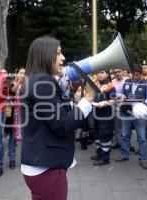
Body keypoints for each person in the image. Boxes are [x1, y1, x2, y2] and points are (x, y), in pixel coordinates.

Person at [20, 36, 95, 200]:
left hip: (40, 164)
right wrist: (88, 99)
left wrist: (77, 101)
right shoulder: (43, 82)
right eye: (59, 53)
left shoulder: (35, 79)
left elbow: (54, 114)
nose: (63, 58)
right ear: (45, 55)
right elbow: (61, 125)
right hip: (47, 168)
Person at [115, 66, 147, 169]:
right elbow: (117, 93)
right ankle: (124, 154)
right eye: (134, 74)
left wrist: (145, 102)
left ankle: (143, 159)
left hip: (139, 114)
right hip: (126, 112)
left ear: (141, 74)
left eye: (137, 74)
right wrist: (120, 97)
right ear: (131, 73)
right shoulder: (125, 82)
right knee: (125, 135)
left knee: (141, 138)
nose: (135, 76)